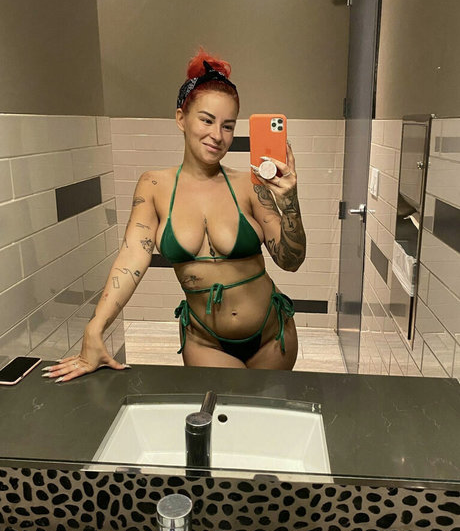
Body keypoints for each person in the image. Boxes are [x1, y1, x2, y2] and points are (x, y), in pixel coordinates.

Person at [42, 49, 306, 383]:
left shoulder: (249, 185)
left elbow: (291, 260)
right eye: (206, 120)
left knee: (263, 414)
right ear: (181, 118)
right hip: (206, 340)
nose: (217, 135)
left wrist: (290, 201)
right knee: (222, 410)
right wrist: (95, 327)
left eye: (227, 126)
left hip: (271, 337)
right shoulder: (154, 186)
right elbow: (131, 259)